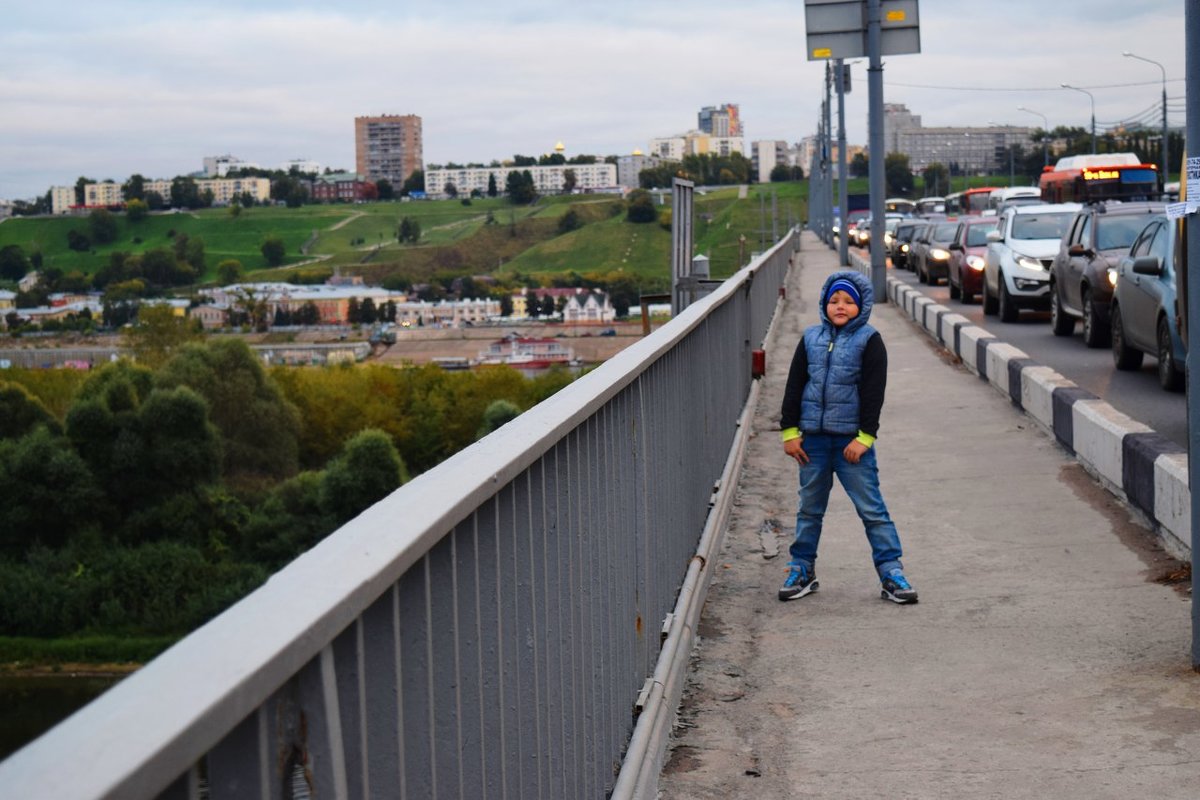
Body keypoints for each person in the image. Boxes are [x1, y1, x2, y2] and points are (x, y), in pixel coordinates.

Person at [777, 270, 917, 604]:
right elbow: (794, 385)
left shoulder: (870, 340)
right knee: (809, 510)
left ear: (862, 306)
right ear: (824, 304)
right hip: (812, 443)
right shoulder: (810, 337)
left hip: (851, 445)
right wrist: (790, 432)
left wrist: (865, 438)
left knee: (872, 510)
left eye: (849, 301)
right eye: (834, 300)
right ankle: (802, 569)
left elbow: (873, 393)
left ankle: (891, 572)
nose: (841, 306)